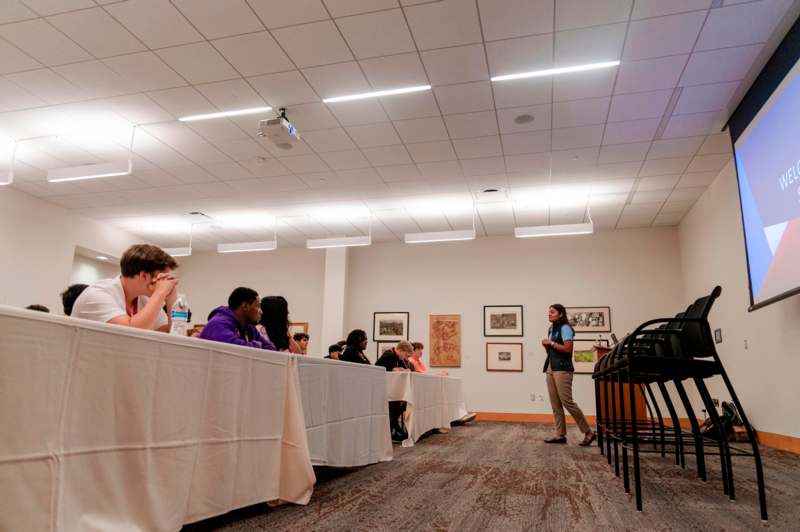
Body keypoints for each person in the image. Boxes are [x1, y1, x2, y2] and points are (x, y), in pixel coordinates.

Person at [71, 244, 178, 332]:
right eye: (163, 277)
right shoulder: (97, 294)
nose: (166, 282)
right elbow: (129, 332)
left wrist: (171, 300)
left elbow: (169, 332)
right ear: (143, 276)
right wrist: (160, 292)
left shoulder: (144, 299)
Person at [542, 303, 596, 446]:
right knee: (555, 404)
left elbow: (567, 349)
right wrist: (547, 346)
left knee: (567, 402)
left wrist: (551, 343)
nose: (549, 314)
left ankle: (588, 432)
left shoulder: (565, 328)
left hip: (563, 369)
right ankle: (560, 435)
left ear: (560, 314)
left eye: (552, 312)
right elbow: (552, 351)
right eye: (549, 312)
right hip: (550, 368)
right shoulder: (551, 329)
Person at [199, 287, 276, 350]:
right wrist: (257, 345)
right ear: (245, 306)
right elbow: (237, 349)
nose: (261, 312)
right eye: (258, 306)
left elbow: (271, 348)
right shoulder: (218, 323)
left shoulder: (249, 328)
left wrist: (256, 345)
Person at [376, 341, 414, 442]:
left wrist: (403, 369)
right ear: (401, 350)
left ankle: (394, 427)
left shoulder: (398, 356)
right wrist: (399, 369)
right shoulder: (389, 355)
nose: (406, 357)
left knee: (402, 403)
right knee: (397, 403)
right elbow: (393, 370)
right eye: (406, 354)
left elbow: (405, 369)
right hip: (382, 389)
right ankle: (391, 429)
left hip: (391, 388)